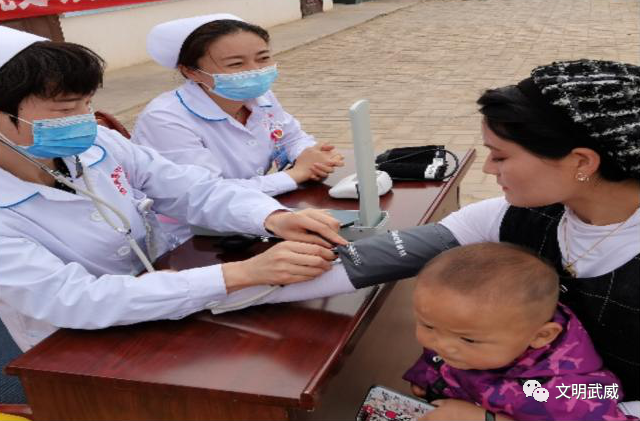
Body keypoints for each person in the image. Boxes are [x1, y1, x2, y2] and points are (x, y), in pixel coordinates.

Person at [0, 26, 351, 354]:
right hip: (75, 344)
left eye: (86, 104)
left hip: (166, 286)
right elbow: (71, 299)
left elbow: (189, 188)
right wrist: (241, 274)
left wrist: (271, 217)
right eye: (65, 109)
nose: (84, 119)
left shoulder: (98, 145)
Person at [314, 59, 639, 406]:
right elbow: (368, 260)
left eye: (500, 157)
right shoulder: (512, 216)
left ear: (582, 162)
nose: (487, 169)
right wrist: (270, 272)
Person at [131, 14, 344, 241]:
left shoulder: (259, 97)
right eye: (236, 64)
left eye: (263, 58)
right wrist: (295, 175)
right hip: (192, 236)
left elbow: (290, 136)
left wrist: (310, 156)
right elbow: (207, 194)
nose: (255, 70)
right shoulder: (165, 119)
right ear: (191, 71)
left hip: (259, 215)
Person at [403, 242, 629, 421]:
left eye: (468, 339)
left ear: (541, 336)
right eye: (428, 326)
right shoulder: (465, 332)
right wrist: (426, 379)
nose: (442, 345)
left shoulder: (571, 394)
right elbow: (435, 360)